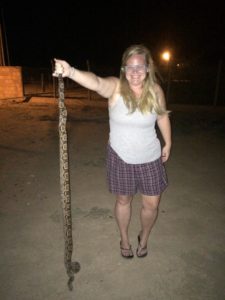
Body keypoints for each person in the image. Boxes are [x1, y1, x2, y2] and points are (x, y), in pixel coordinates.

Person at [53, 44, 171, 258]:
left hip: (150, 157)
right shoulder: (116, 88)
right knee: (123, 200)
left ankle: (144, 237)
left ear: (148, 68)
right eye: (130, 67)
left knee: (152, 204)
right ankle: (124, 240)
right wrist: (70, 72)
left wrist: (168, 142)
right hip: (121, 156)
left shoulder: (155, 91)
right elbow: (97, 82)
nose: (135, 72)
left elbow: (162, 116)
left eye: (140, 67)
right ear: (124, 69)